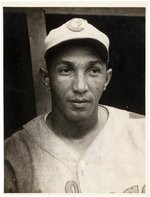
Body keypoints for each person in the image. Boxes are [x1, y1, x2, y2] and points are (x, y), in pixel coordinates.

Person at [4, 18, 145, 193]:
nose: (80, 87)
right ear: (46, 78)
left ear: (106, 79)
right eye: (66, 70)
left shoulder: (143, 134)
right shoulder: (12, 155)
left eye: (93, 71)